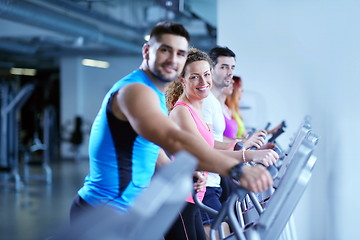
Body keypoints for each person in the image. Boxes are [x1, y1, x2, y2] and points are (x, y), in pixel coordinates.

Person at [70, 22, 276, 231]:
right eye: (165, 50)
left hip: (126, 211)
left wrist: (177, 171)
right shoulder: (135, 91)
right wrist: (236, 169)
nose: (172, 59)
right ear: (147, 51)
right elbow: (173, 139)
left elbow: (154, 147)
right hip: (103, 211)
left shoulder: (155, 94)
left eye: (180, 53)